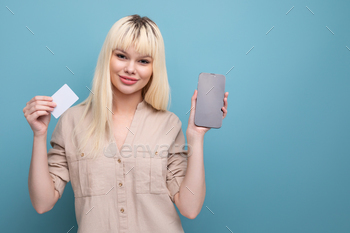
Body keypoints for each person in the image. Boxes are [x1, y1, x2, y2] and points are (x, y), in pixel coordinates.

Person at [24, 14, 229, 233]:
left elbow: (190, 209)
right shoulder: (71, 121)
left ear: (153, 68)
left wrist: (196, 139)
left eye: (143, 61)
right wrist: (39, 136)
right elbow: (42, 203)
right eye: (122, 56)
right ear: (108, 58)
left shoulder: (168, 123)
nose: (131, 69)